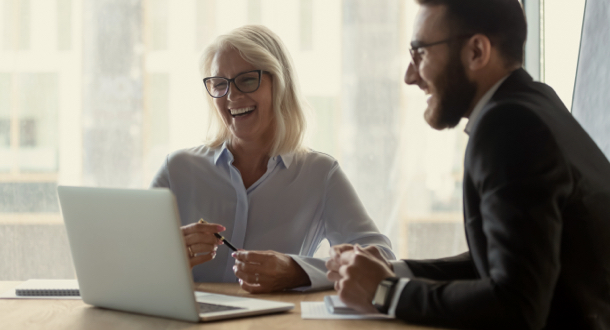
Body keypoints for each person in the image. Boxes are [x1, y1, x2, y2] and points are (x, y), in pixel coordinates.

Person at [326, 0, 610, 329]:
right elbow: (508, 263)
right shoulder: (536, 101)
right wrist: (395, 271)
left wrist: (387, 292)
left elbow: (516, 305)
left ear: (476, 51)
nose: (409, 75)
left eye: (420, 52)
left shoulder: (507, 126)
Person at [150, 25, 394, 293]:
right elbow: (126, 260)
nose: (231, 96)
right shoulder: (177, 169)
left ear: (279, 84)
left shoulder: (320, 174)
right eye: (220, 84)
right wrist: (165, 258)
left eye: (246, 80)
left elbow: (381, 260)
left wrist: (297, 271)